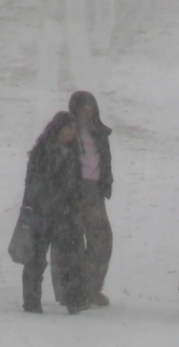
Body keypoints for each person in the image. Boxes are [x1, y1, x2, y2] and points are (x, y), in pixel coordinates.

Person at [20, 111, 86, 314]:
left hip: (66, 214)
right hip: (43, 214)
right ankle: (31, 301)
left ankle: (74, 300)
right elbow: (34, 184)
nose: (74, 133)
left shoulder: (74, 152)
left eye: (75, 129)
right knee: (37, 258)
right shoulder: (42, 152)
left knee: (71, 259)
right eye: (70, 128)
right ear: (59, 129)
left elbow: (76, 183)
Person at [67, 91, 115, 308]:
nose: (88, 111)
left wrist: (106, 182)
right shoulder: (67, 131)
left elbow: (105, 160)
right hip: (73, 192)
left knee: (102, 241)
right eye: (84, 107)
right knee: (71, 242)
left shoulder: (99, 133)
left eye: (91, 107)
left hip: (94, 192)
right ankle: (72, 292)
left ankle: (91, 288)